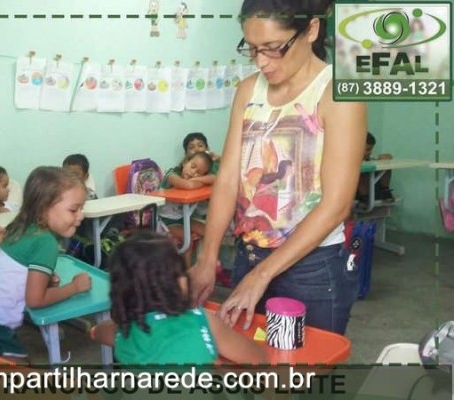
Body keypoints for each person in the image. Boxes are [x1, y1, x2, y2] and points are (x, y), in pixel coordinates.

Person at [190, 0, 366, 335]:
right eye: (253, 49)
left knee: (305, 375)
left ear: (310, 30)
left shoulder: (337, 93)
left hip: (312, 268)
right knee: (252, 366)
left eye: (273, 48)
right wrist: (207, 257)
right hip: (250, 254)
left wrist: (262, 275)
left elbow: (336, 205)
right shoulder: (248, 91)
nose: (261, 62)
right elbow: (228, 179)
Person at [0, 166, 92, 363]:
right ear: (44, 207)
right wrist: (75, 287)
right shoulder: (46, 243)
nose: (81, 216)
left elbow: (14, 272)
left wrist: (43, 280)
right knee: (23, 381)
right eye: (73, 209)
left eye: (82, 208)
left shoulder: (24, 227)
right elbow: (35, 300)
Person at [93, 231, 265, 364]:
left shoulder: (123, 331)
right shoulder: (202, 322)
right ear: (176, 284)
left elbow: (96, 332)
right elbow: (259, 359)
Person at [159, 152, 218, 271]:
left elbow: (215, 178)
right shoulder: (172, 175)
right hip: (166, 220)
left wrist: (197, 179)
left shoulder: (194, 177)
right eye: (193, 166)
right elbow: (188, 186)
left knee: (210, 232)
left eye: (199, 172)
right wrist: (199, 180)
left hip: (184, 217)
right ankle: (186, 273)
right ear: (185, 161)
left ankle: (205, 266)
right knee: (188, 240)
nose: (193, 172)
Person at [356, 132, 395, 204]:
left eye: (371, 149)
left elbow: (387, 157)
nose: (370, 152)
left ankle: (385, 191)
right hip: (359, 194)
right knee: (363, 168)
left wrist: (382, 159)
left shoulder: (369, 158)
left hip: (375, 189)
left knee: (387, 159)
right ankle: (365, 196)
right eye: (368, 150)